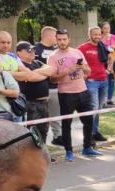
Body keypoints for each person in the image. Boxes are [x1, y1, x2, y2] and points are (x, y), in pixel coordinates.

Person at [49, 29, 100, 162]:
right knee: (67, 124)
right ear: (56, 40)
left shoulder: (77, 52)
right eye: (59, 39)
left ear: (69, 39)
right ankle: (69, 151)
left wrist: (83, 67)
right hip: (66, 94)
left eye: (64, 39)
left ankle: (87, 147)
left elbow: (88, 72)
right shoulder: (53, 56)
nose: (62, 42)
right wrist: (68, 71)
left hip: (83, 91)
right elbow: (53, 79)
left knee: (89, 121)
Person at [15, 42, 57, 161]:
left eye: (33, 50)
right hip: (30, 103)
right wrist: (35, 74)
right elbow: (31, 78)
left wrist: (35, 73)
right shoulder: (19, 65)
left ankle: (42, 155)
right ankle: (30, 157)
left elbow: (50, 70)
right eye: (29, 50)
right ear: (19, 53)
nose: (33, 52)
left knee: (43, 129)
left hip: (43, 103)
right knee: (31, 131)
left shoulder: (37, 63)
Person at [78, 27, 110, 143]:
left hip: (104, 80)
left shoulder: (103, 46)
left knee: (99, 108)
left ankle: (95, 131)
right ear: (89, 34)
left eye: (98, 34)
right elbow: (77, 61)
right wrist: (83, 73)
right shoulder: (83, 48)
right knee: (94, 108)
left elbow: (110, 58)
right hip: (92, 82)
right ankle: (88, 134)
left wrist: (109, 70)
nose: (97, 36)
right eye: (95, 34)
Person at [33, 26, 64, 145]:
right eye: (55, 36)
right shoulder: (35, 49)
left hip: (55, 87)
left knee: (56, 112)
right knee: (39, 115)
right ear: (47, 36)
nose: (57, 39)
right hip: (40, 89)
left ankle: (57, 135)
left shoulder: (57, 50)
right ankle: (37, 139)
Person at [100, 22, 115, 106]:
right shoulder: (100, 37)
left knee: (112, 81)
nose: (107, 30)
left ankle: (109, 99)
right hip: (104, 62)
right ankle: (102, 100)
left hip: (113, 60)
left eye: (108, 28)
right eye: (105, 28)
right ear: (102, 29)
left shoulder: (114, 37)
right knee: (104, 81)